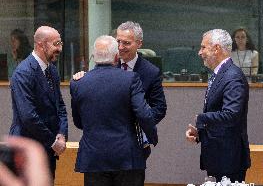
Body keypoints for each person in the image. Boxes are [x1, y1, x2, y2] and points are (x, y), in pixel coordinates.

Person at [70, 35, 157, 186]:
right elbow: (143, 113)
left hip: (93, 157)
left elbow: (78, 122)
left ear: (93, 57)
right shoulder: (130, 79)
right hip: (126, 155)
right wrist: (152, 137)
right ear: (117, 56)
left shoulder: (78, 82)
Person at [74, 21, 167, 158]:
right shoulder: (105, 64)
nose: (121, 47)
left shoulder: (150, 72)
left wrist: (139, 125)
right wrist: (82, 77)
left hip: (135, 143)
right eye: (118, 42)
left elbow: (159, 108)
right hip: (105, 140)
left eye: (127, 43)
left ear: (139, 44)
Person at [186, 29, 251, 182]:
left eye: (203, 47)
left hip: (229, 160)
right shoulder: (221, 74)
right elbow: (221, 118)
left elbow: (231, 115)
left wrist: (202, 118)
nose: (199, 52)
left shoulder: (232, 76)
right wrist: (200, 133)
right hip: (219, 157)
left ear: (216, 49)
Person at [9, 26, 68, 179]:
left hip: (47, 149)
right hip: (27, 150)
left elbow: (60, 106)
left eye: (60, 43)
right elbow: (28, 116)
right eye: (56, 44)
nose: (60, 48)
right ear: (41, 45)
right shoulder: (23, 73)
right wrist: (53, 141)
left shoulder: (52, 70)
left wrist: (62, 134)